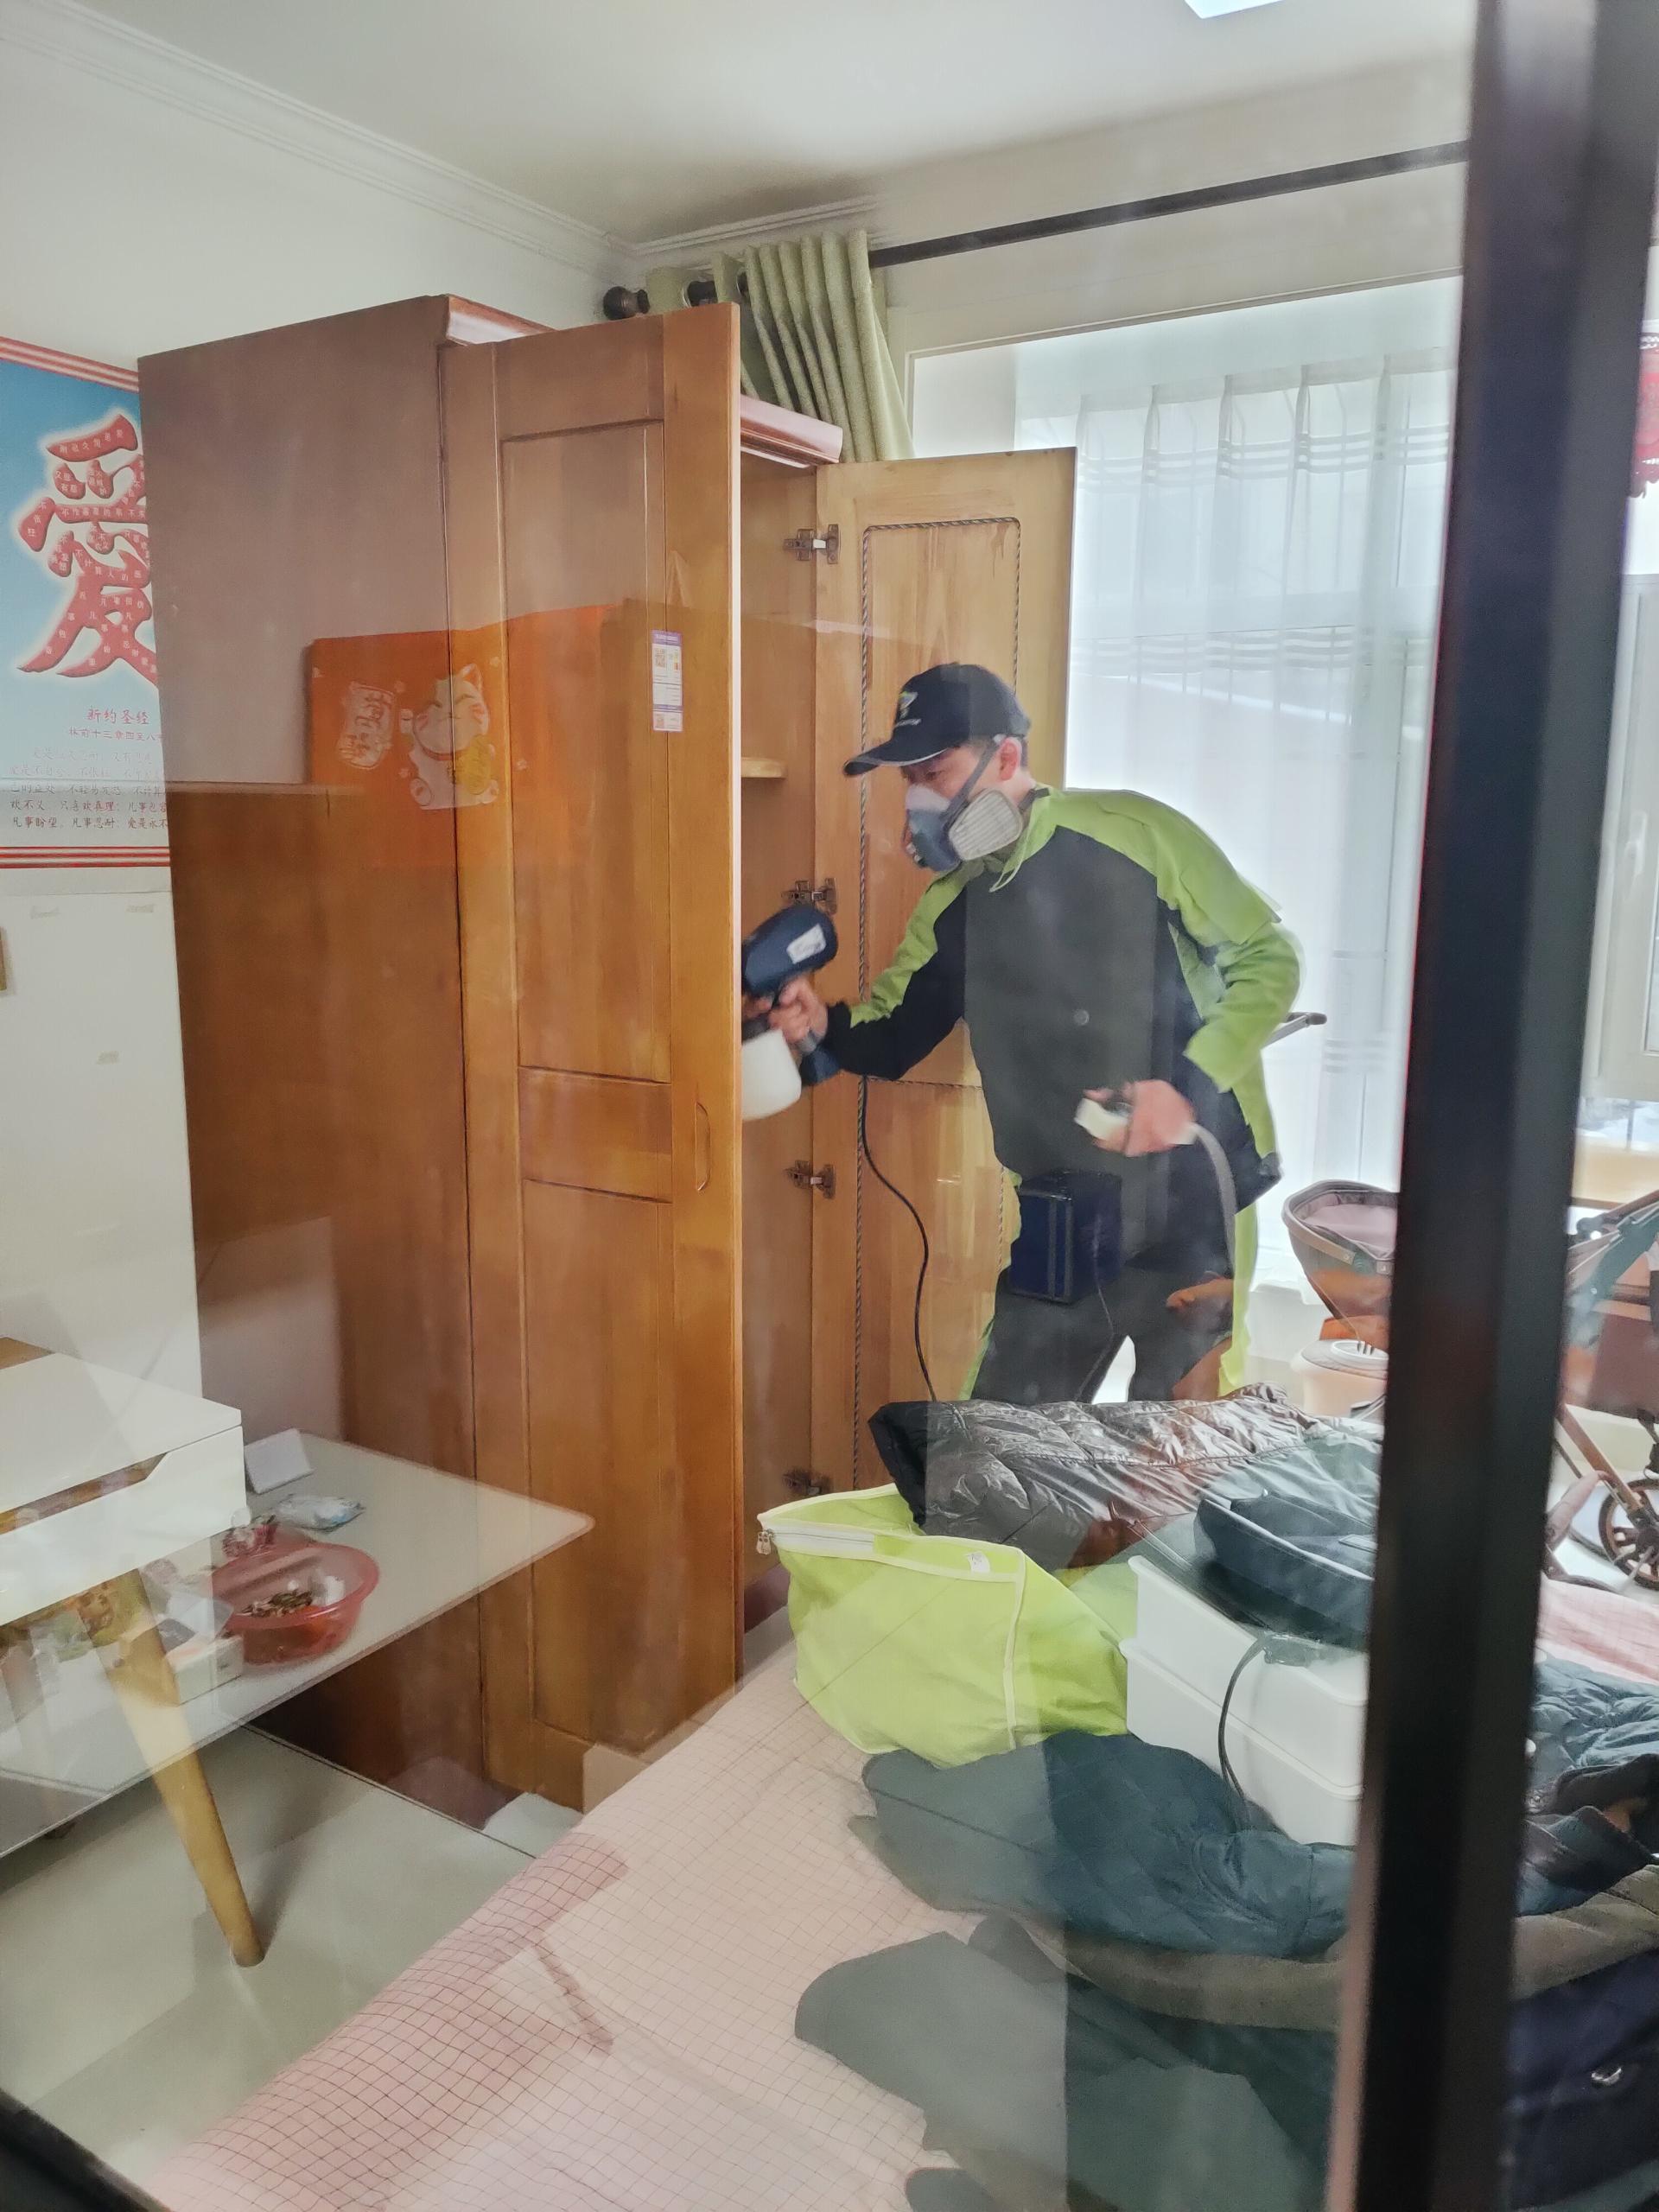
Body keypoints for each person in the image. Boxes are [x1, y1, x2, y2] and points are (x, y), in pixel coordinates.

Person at [772, 662, 1300, 1404]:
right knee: (999, 1438)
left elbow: (1269, 957)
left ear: (1007, 758)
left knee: (1183, 1443)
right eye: (909, 781)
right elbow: (891, 1037)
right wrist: (821, 1022)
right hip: (1067, 1206)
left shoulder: (1136, 835)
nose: (920, 800)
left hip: (1196, 1196)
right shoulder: (953, 906)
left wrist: (1184, 1089)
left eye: (935, 773)